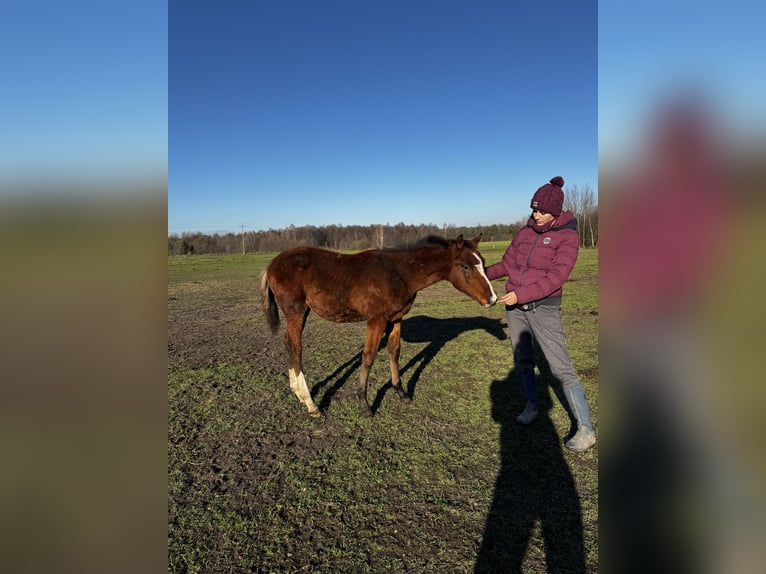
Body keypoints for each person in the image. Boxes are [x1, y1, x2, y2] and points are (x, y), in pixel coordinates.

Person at [485, 176, 596, 452]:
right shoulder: (525, 232)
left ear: (555, 212)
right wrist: (481, 276)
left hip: (543, 308)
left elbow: (556, 277)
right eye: (534, 209)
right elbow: (507, 264)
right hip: (515, 308)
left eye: (542, 211)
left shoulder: (568, 236)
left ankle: (586, 428)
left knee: (560, 368)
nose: (536, 215)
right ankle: (531, 406)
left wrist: (521, 294)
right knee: (523, 361)